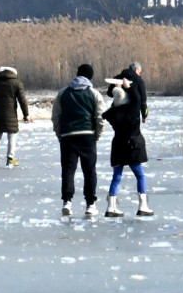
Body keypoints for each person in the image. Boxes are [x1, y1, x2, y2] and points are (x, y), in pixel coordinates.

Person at [51, 63, 104, 218]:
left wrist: (60, 134)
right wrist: (96, 136)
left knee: (68, 170)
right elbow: (100, 117)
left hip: (68, 136)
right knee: (89, 171)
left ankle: (67, 202)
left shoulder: (63, 93)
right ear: (90, 76)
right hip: (87, 135)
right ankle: (90, 204)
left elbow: (56, 117)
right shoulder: (94, 94)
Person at [103, 62, 153, 217]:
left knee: (117, 176)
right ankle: (143, 205)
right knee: (139, 175)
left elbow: (112, 96)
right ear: (137, 70)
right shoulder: (132, 111)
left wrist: (118, 87)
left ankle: (111, 207)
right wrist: (129, 88)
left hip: (118, 144)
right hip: (132, 144)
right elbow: (138, 101)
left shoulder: (113, 113)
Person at [0, 66, 33, 167]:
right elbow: (22, 100)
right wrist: (26, 115)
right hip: (11, 112)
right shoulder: (16, 83)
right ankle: (10, 158)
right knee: (12, 136)